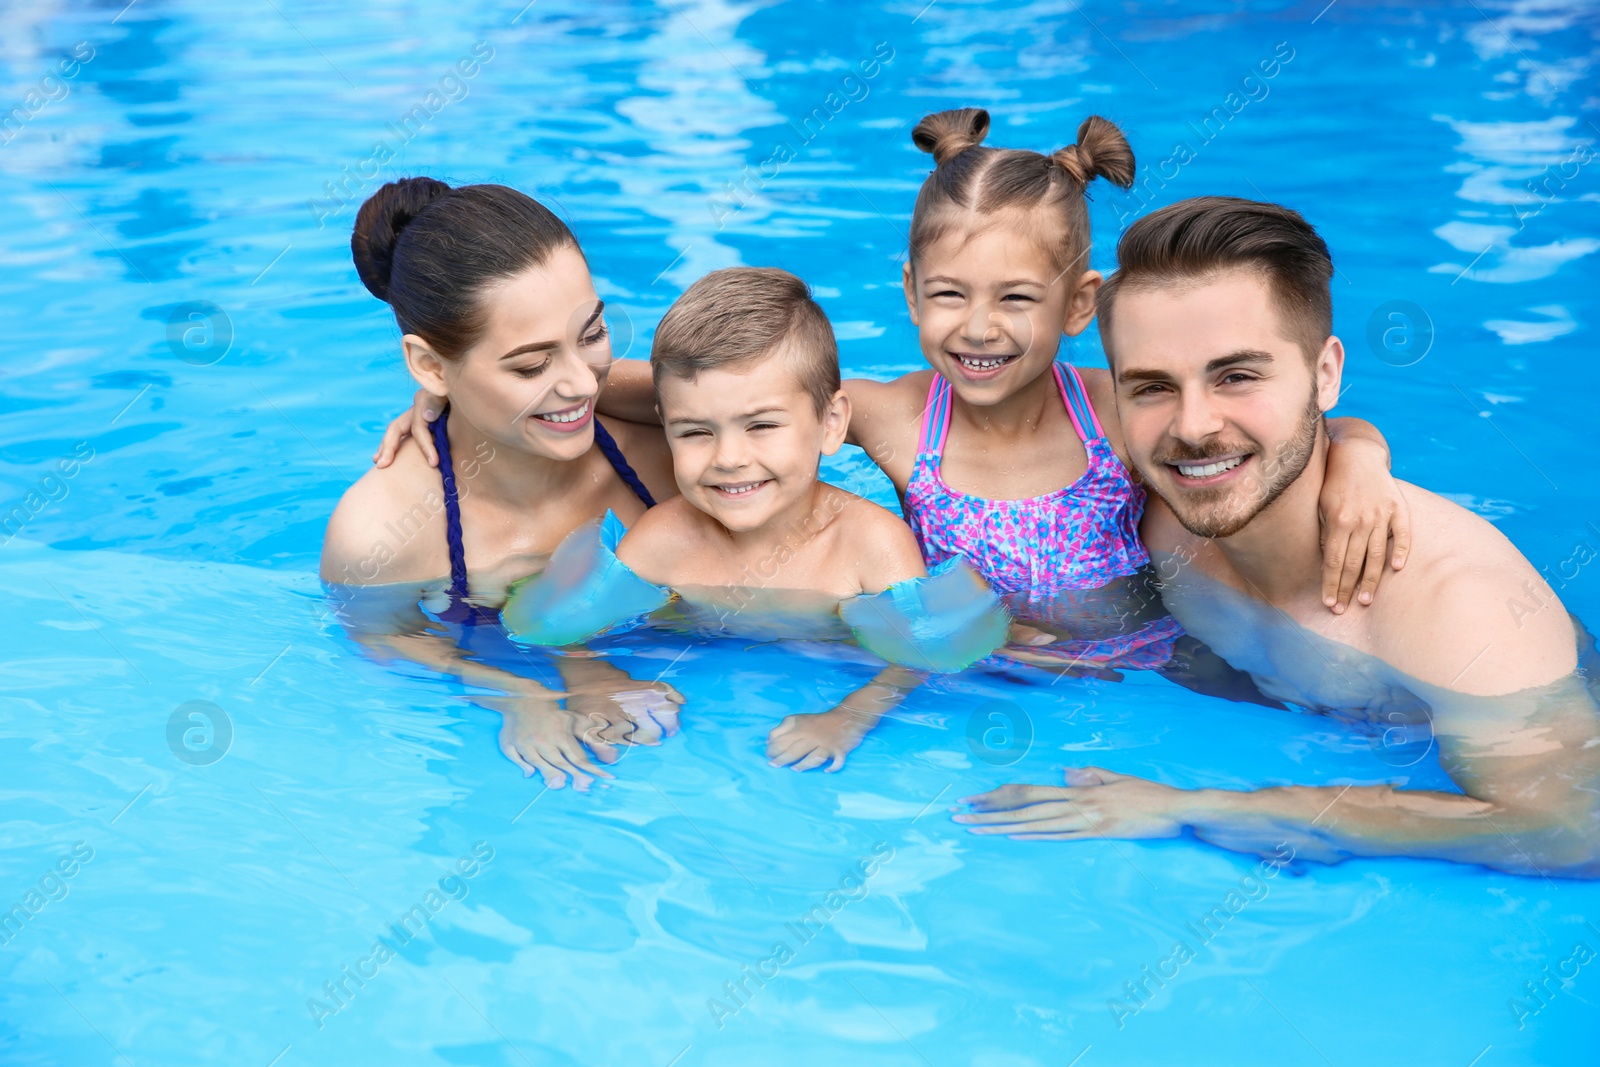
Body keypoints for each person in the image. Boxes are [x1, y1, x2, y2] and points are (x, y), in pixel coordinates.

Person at [378, 110, 1410, 671]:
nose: (978, 326)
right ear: (909, 292)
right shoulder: (887, 410)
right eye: (948, 294)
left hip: (1161, 652)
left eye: (1016, 297)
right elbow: (678, 390)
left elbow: (1256, 434)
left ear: (1079, 302)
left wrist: (1359, 457)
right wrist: (456, 399)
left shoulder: (1118, 408)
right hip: (988, 665)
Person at [955, 197, 1600, 878]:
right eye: (1152, 387)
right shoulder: (1149, 511)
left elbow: (1573, 827)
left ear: (1326, 374)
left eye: (1236, 375)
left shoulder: (1458, 612)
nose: (1194, 426)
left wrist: (1203, 806)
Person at [321, 177, 684, 791]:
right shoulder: (381, 532)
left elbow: (765, 403)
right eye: (531, 365)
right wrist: (515, 692)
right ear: (430, 366)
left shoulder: (678, 450)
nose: (581, 384)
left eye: (591, 335)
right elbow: (383, 638)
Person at [587, 267, 934, 772]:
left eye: (762, 425)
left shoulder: (870, 545)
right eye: (696, 432)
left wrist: (848, 718)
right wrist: (598, 683)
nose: (729, 457)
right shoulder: (663, 540)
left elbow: (919, 658)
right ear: (665, 428)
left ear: (831, 424)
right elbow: (572, 633)